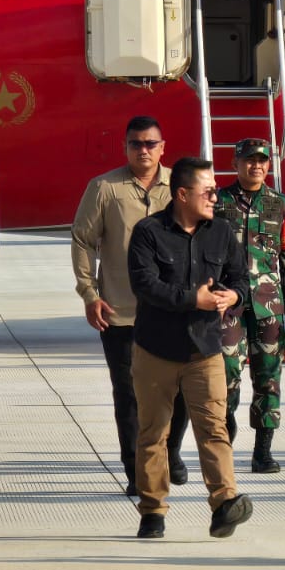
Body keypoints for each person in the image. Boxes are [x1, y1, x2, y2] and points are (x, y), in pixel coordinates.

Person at [126, 157, 254, 541]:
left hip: (205, 351)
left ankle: (224, 504)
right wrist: (191, 300)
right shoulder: (148, 232)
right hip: (156, 350)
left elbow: (240, 279)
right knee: (153, 434)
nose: (216, 197)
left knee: (214, 429)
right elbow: (144, 285)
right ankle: (152, 512)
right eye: (208, 191)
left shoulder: (221, 231)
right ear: (183, 194)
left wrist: (233, 296)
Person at [70, 116, 192, 496]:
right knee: (129, 395)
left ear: (163, 146)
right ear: (125, 147)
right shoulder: (104, 188)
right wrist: (90, 294)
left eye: (150, 144)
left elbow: (205, 240)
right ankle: (138, 472)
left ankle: (169, 452)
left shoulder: (182, 187)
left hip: (175, 311)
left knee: (183, 391)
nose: (143, 150)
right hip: (120, 312)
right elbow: (82, 240)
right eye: (136, 144)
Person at [214, 139, 285, 473]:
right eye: (249, 160)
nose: (256, 166)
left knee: (268, 377)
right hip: (230, 304)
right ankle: (226, 428)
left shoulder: (281, 205)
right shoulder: (217, 202)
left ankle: (262, 451)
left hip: (268, 306)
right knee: (226, 374)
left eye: (262, 161)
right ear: (235, 162)